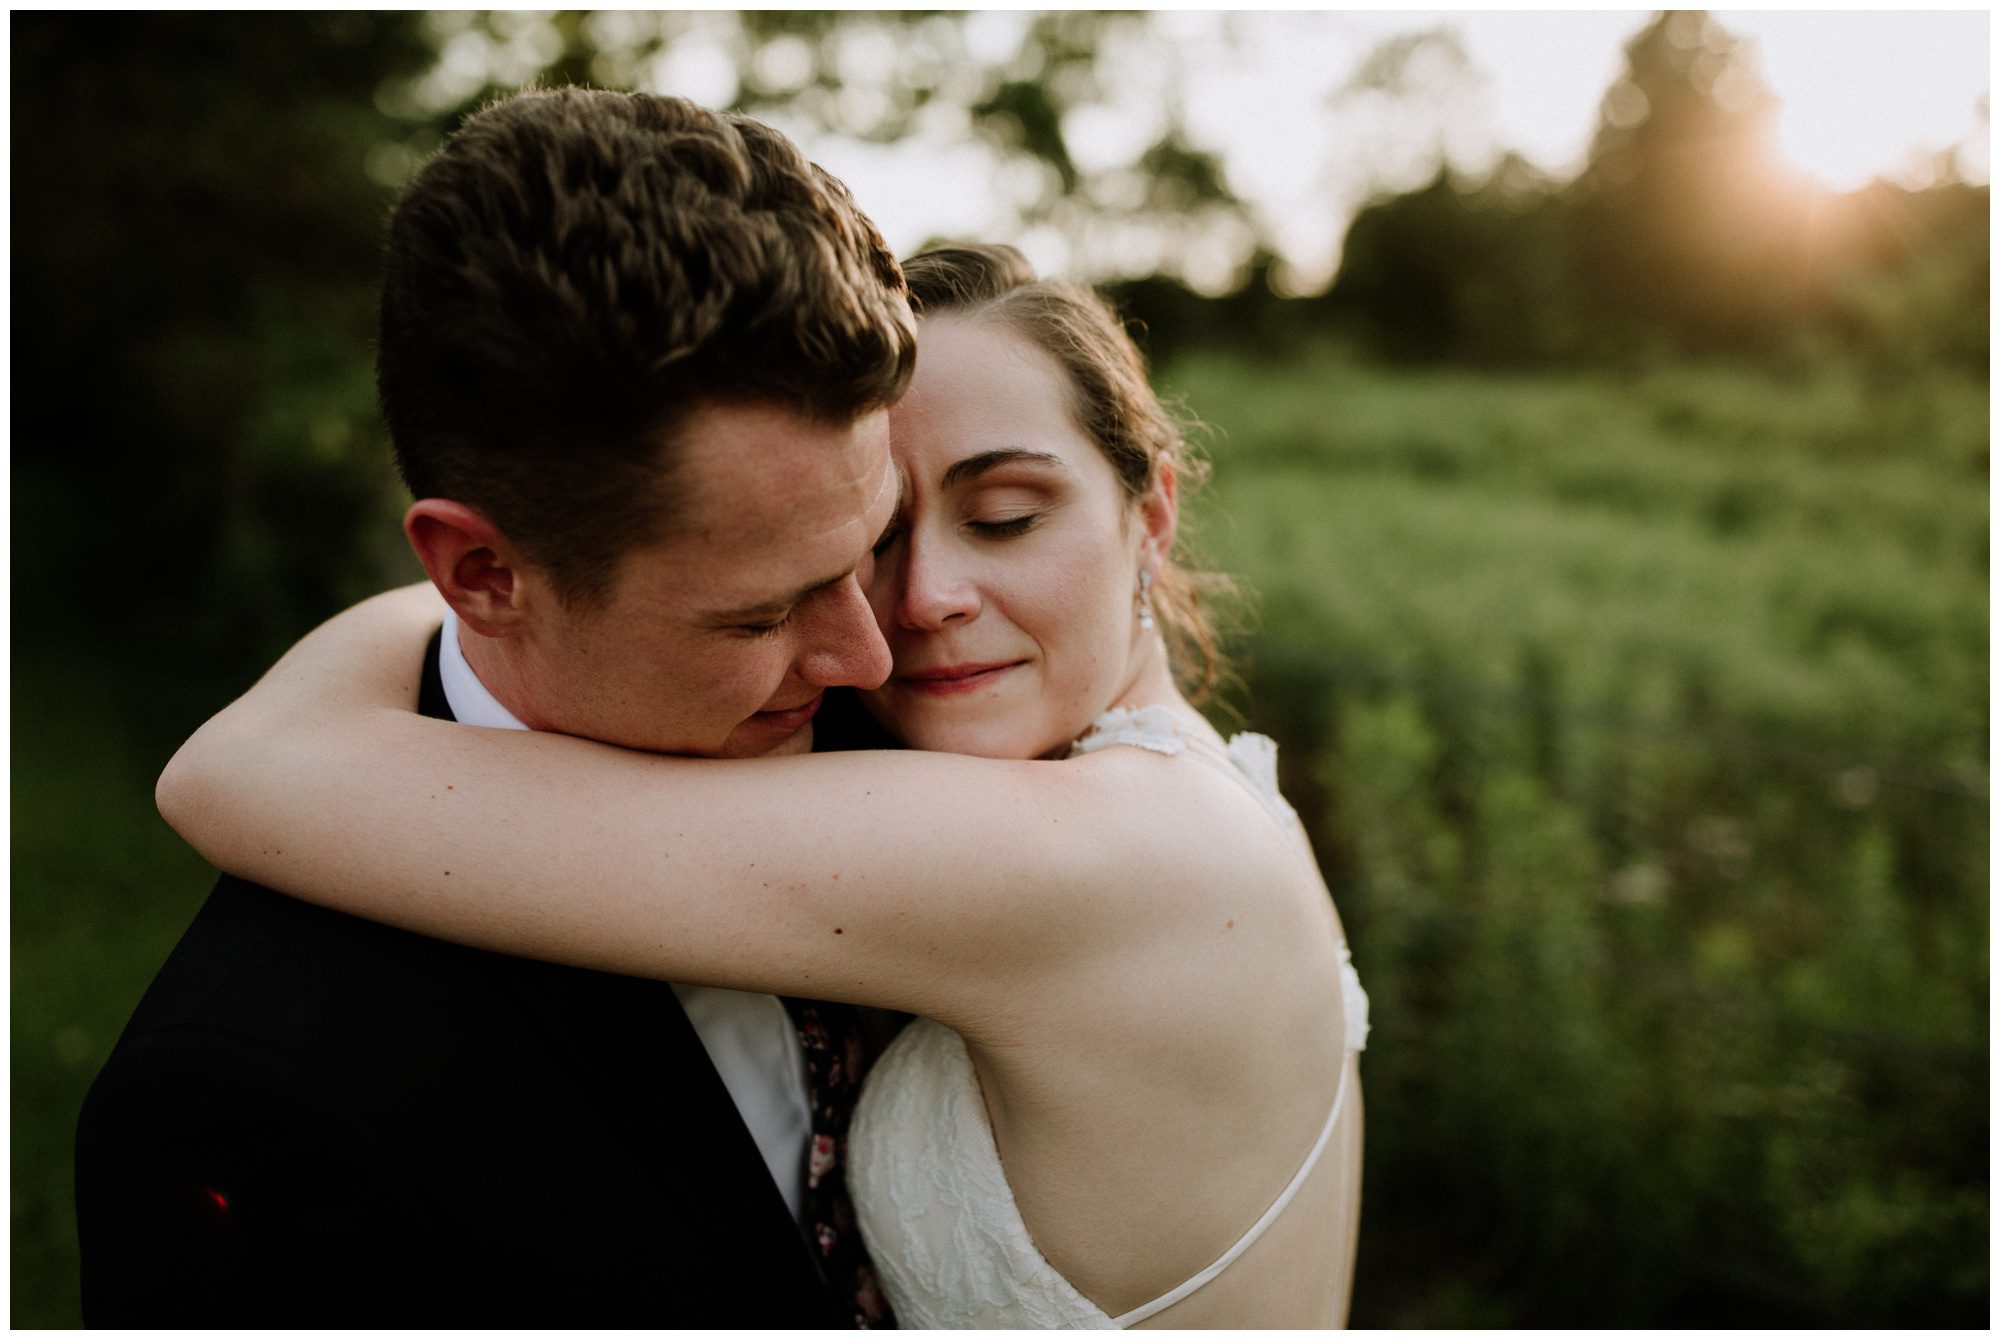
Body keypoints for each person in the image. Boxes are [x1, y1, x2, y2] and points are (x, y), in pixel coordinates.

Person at [154, 242, 1371, 1328]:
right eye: (869, 539)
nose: (922, 597)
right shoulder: (1211, 799)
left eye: (1005, 515)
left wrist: (493, 578)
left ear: (1150, 514)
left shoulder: (1100, 858)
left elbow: (243, 771)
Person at [75, 87, 916, 1327]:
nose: (869, 658)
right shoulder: (259, 1086)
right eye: (758, 616)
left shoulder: (945, 725)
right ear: (481, 574)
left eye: (874, 545)